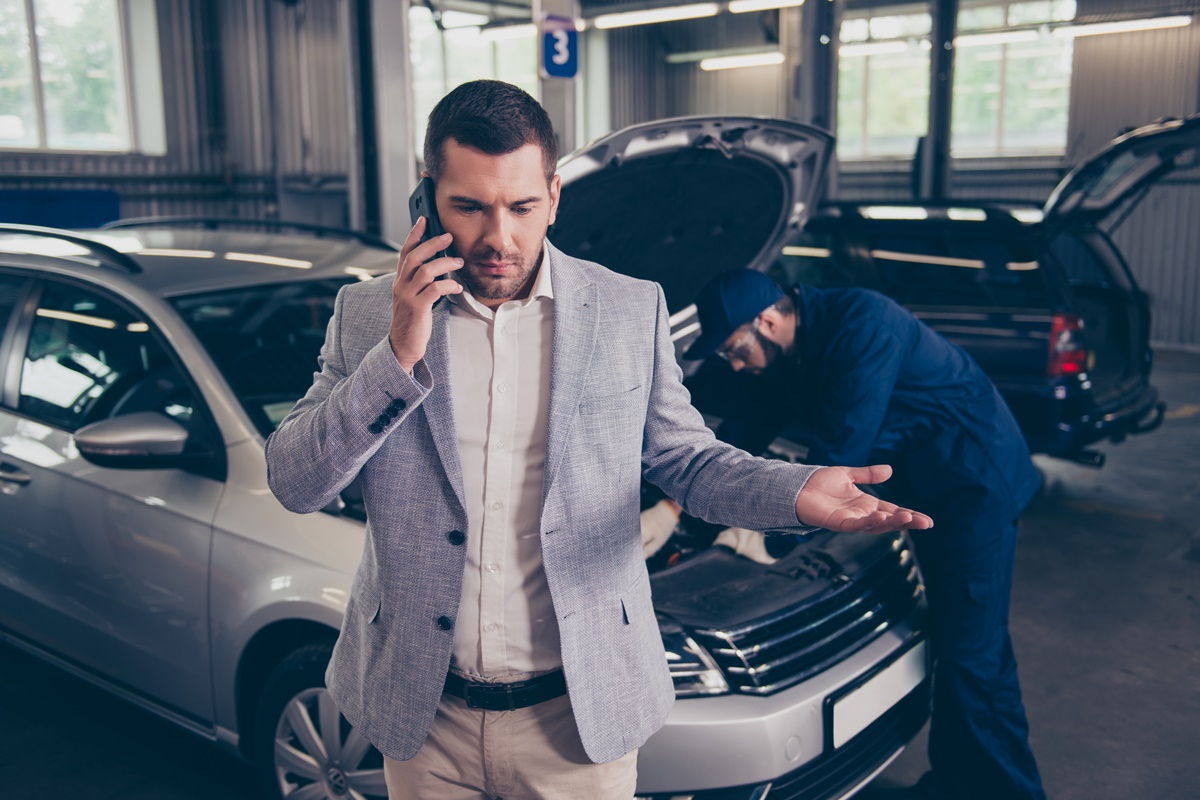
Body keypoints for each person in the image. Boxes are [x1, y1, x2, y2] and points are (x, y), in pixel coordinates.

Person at [263, 80, 932, 800]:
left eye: (521, 207)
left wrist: (794, 491)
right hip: (426, 719)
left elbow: (687, 460)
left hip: (575, 720)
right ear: (427, 196)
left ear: (554, 194)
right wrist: (396, 356)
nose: (499, 238)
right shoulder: (366, 315)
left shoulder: (626, 309)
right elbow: (297, 482)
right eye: (469, 207)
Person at [682, 268, 1045, 800]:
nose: (733, 365)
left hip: (973, 486)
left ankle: (1008, 791)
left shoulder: (863, 324)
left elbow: (842, 454)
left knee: (973, 652)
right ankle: (960, 781)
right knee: (957, 638)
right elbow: (746, 430)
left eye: (733, 350)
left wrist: (769, 539)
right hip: (927, 489)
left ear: (764, 321)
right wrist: (685, 502)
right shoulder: (787, 353)